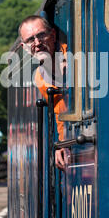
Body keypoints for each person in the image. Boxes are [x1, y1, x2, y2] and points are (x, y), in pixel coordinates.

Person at [19, 15, 68, 170]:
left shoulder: (73, 56)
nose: (37, 43)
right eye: (30, 40)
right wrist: (63, 144)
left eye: (41, 35)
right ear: (25, 47)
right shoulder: (40, 79)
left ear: (53, 35)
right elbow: (60, 112)